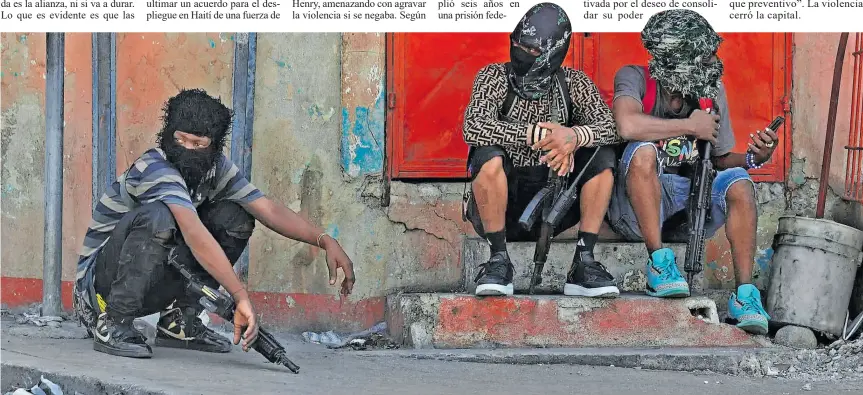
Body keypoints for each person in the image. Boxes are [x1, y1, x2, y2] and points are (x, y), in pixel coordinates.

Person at [73, 89, 356, 358]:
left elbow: (267, 209)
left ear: (214, 145)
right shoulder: (156, 168)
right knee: (159, 217)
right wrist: (239, 295)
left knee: (236, 217)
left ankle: (179, 322)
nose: (186, 149)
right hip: (101, 289)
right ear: (167, 135)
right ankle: (113, 323)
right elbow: (195, 234)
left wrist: (324, 239)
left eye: (198, 145)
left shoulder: (215, 169)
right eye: (180, 140)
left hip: (153, 278)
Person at [606, 9, 777, 334]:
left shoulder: (709, 92)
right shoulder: (635, 77)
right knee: (642, 151)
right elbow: (627, 124)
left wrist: (755, 159)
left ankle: (744, 296)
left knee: (739, 182)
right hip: (635, 212)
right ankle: (659, 264)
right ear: (675, 56)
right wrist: (689, 125)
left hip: (689, 211)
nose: (712, 63)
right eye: (703, 57)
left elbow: (720, 159)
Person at [462, 2, 624, 298]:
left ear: (554, 53)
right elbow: (473, 125)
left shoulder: (575, 83)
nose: (521, 54)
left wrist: (574, 137)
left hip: (557, 203)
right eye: (516, 44)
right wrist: (534, 134)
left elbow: (612, 128)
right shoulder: (493, 76)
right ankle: (498, 260)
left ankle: (583, 262)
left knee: (602, 158)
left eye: (533, 51)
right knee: (486, 154)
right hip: (505, 201)